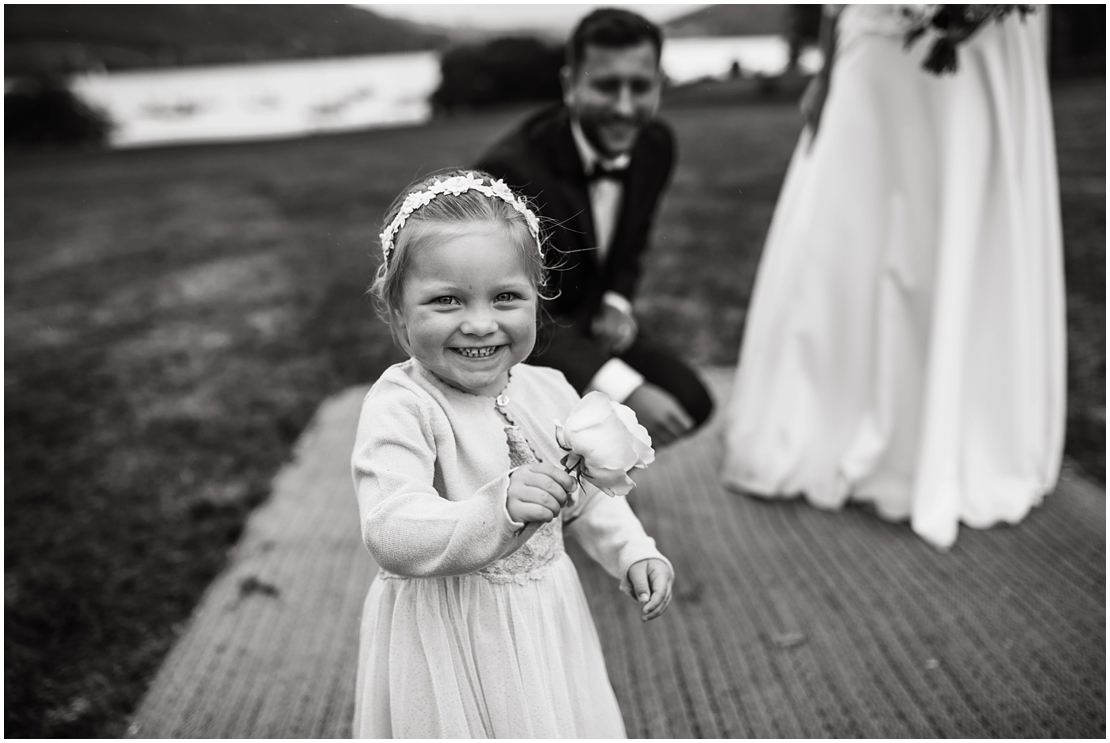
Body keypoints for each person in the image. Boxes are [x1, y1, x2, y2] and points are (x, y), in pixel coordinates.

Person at [721, 5, 1066, 550]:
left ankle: (956, 433)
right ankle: (824, 421)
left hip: (979, 50)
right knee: (847, 227)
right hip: (874, 35)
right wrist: (827, 68)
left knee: (956, 217)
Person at [350, 169, 675, 737]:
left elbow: (588, 499)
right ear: (398, 310)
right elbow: (391, 528)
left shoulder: (548, 390)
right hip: (450, 633)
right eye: (446, 300)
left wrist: (632, 551)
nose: (480, 323)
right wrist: (494, 508)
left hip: (545, 615)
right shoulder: (404, 404)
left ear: (537, 296)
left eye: (505, 297)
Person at [477, 8, 713, 448]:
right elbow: (506, 308)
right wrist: (623, 388)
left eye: (640, 86)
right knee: (632, 406)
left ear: (659, 84)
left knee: (689, 401)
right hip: (520, 349)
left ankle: (592, 471)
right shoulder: (513, 170)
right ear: (570, 85)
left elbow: (634, 239)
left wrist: (618, 300)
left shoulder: (656, 145)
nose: (624, 108)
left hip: (591, 324)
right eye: (607, 86)